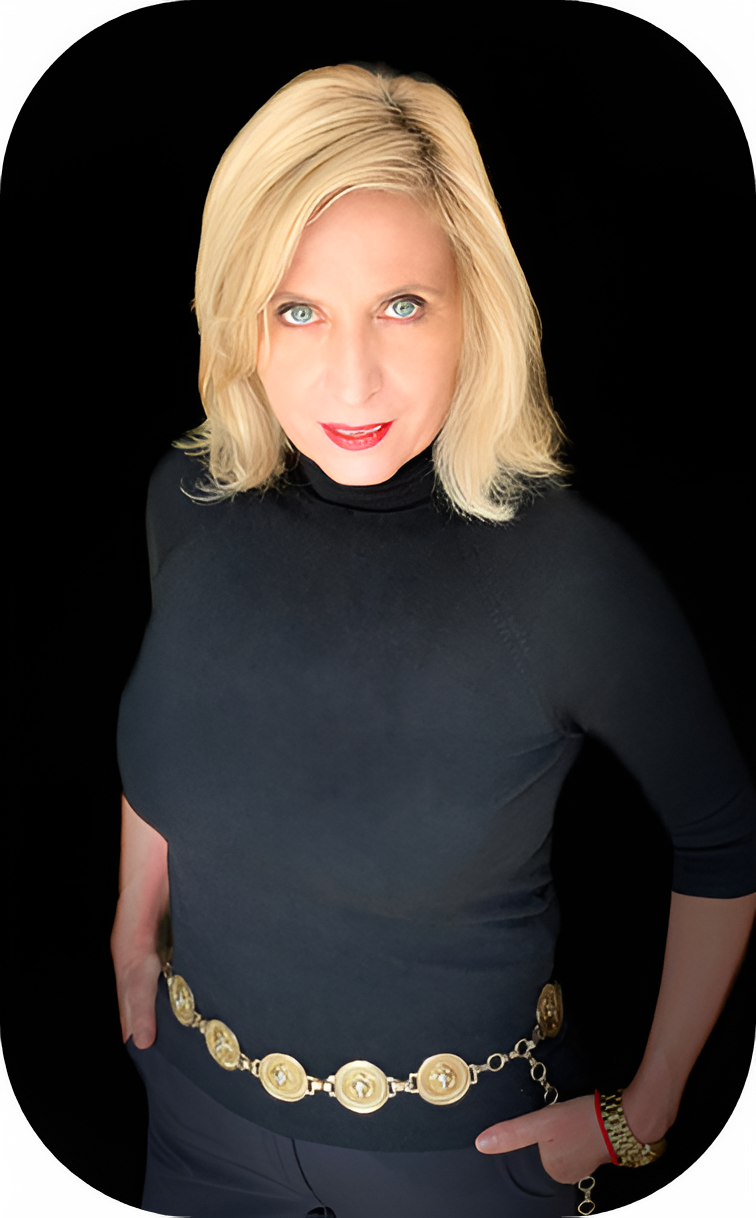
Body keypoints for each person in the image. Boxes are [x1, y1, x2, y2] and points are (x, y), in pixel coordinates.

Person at [113, 63, 756, 1217]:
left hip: (461, 1160)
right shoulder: (189, 501)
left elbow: (722, 838)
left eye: (402, 305)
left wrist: (641, 1112)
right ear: (237, 317)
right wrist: (132, 923)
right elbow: (185, 734)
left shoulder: (568, 576)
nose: (350, 375)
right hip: (196, 1122)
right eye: (297, 309)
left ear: (475, 310)